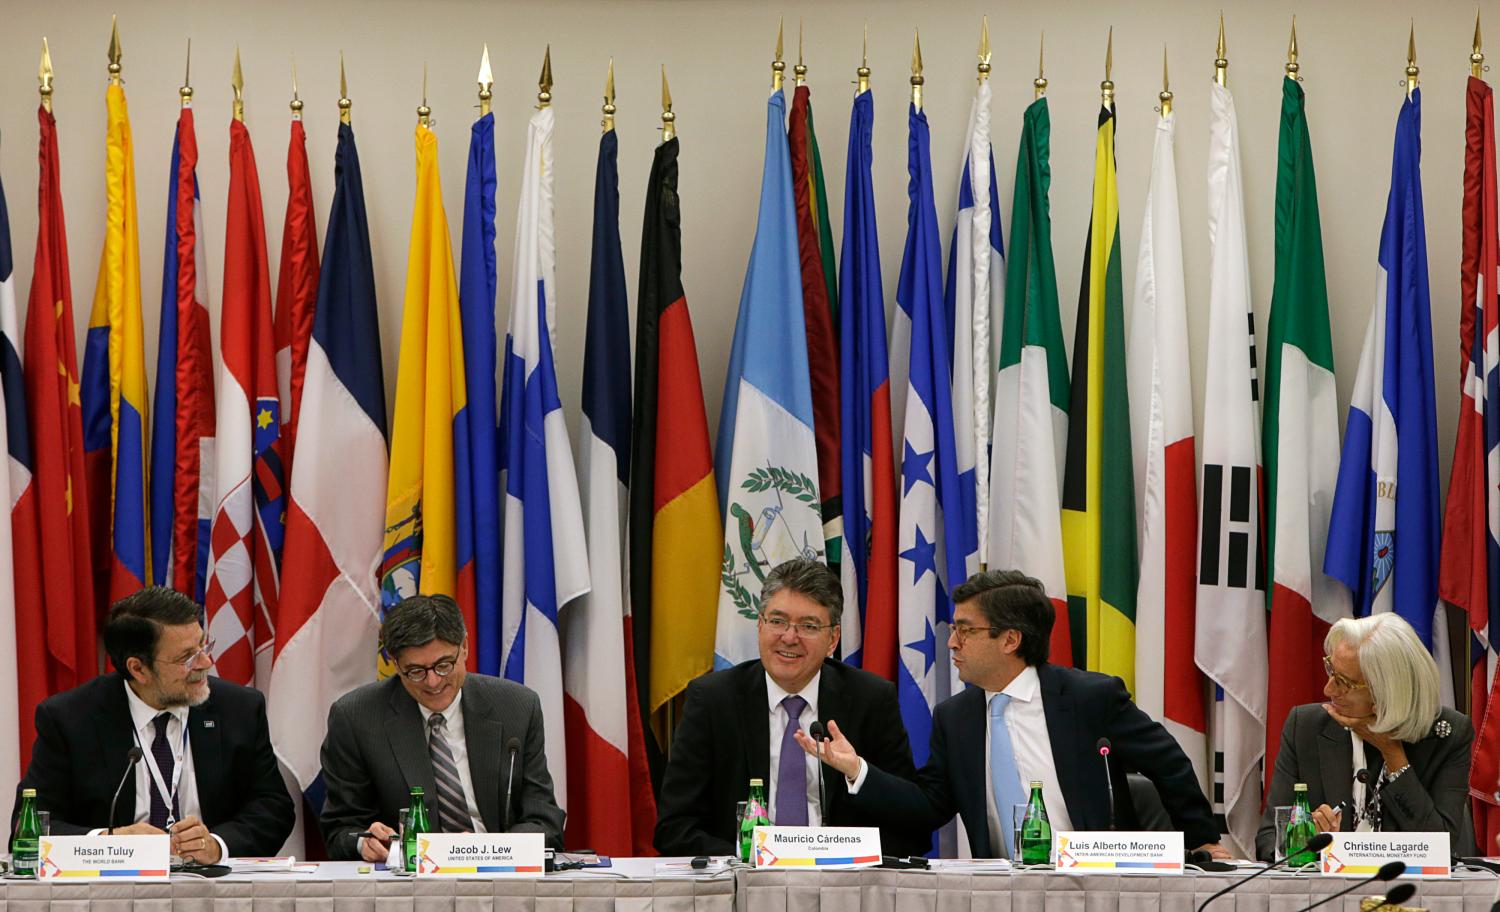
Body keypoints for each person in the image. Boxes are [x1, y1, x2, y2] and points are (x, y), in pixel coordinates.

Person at [797, 569, 1226, 859]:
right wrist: (857, 769)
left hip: (1097, 884)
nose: (952, 642)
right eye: (954, 629)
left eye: (966, 630)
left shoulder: (1088, 698)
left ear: (1010, 640)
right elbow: (929, 806)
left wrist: (1204, 840)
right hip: (1004, 894)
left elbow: (1168, 763)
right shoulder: (955, 718)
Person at [654, 558, 925, 856]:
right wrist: (753, 859)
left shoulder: (870, 700)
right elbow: (674, 828)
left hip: (838, 878)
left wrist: (857, 773)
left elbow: (913, 827)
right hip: (746, 878)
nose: (789, 637)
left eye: (808, 626)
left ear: (833, 639)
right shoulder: (713, 701)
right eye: (777, 621)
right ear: (760, 625)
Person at [11, 587, 294, 862]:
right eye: (187, 657)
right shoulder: (69, 719)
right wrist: (108, 842)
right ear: (138, 669)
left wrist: (217, 845)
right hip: (113, 887)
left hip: (211, 885)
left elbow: (273, 808)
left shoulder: (239, 709)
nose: (205, 662)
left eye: (203, 646)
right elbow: (28, 827)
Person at [319, 594, 564, 860]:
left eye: (444, 665)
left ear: (464, 647)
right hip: (408, 876)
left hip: (498, 869)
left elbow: (544, 822)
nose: (433, 682)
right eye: (416, 671)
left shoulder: (516, 708)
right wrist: (364, 843)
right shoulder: (356, 718)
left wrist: (484, 849)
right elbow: (340, 830)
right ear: (396, 664)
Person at [1257, 613, 1472, 861]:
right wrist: (1306, 840)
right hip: (1327, 885)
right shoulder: (1306, 726)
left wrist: (1393, 754)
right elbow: (1268, 840)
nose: (1328, 689)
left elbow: (1440, 849)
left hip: (1407, 884)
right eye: (1331, 670)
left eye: (1344, 682)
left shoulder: (1447, 735)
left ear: (1387, 692)